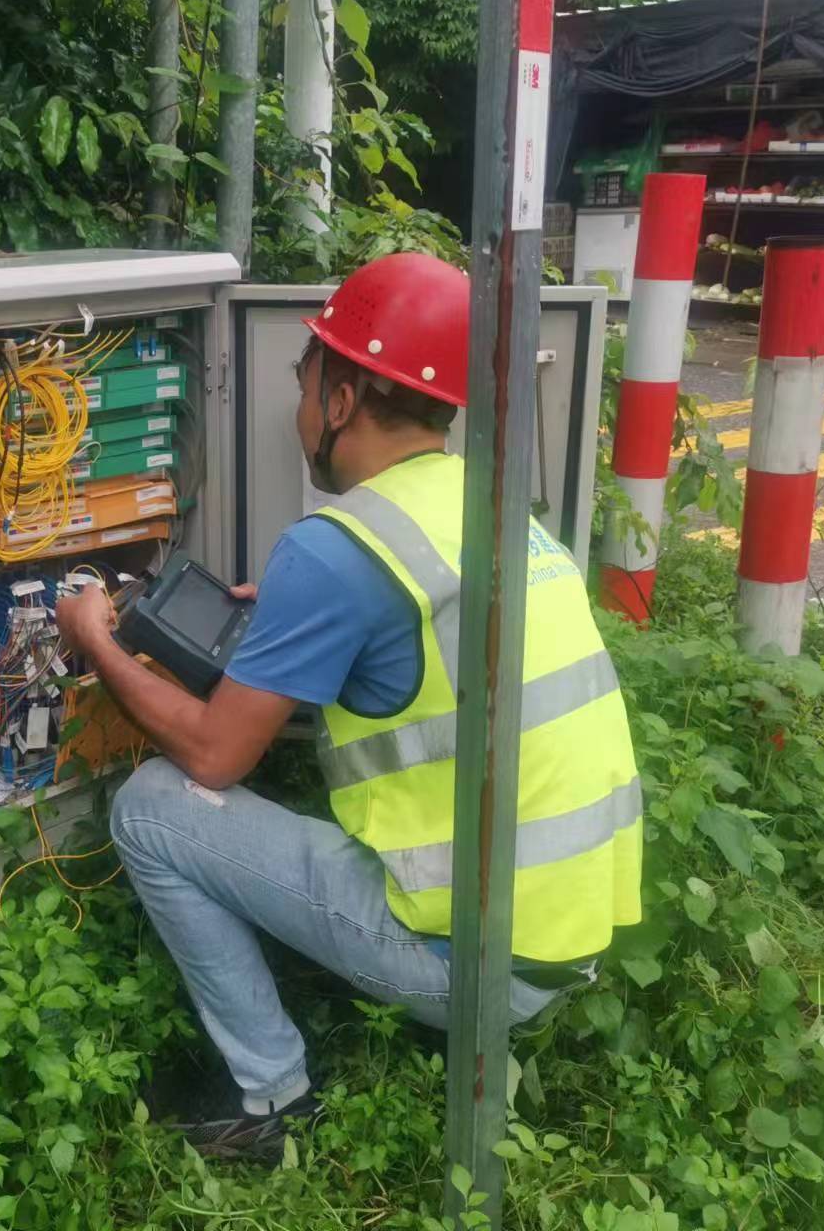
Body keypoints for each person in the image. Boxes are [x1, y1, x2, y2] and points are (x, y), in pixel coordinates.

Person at [54, 251, 642, 1158]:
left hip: (472, 965)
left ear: (339, 401)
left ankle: (272, 1098)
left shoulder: (336, 550)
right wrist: (303, 622)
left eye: (304, 388)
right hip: (568, 936)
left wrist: (95, 639)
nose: (300, 413)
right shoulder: (491, 506)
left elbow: (213, 757)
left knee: (152, 808)